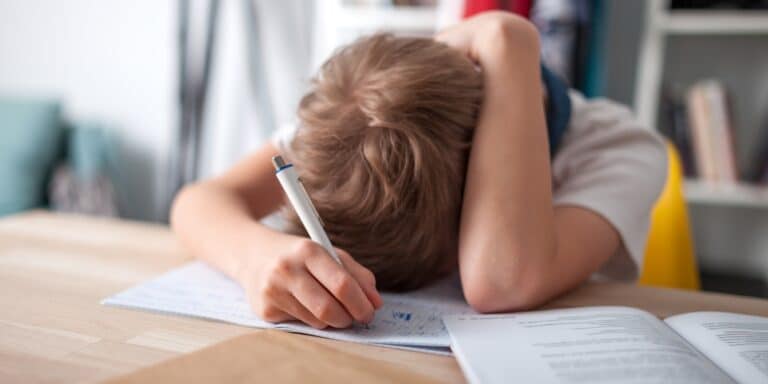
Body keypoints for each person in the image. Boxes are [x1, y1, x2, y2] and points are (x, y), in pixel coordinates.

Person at [171, 12, 667, 330]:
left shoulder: (620, 148)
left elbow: (500, 282)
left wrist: (507, 40)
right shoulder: (359, 116)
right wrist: (255, 256)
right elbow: (197, 202)